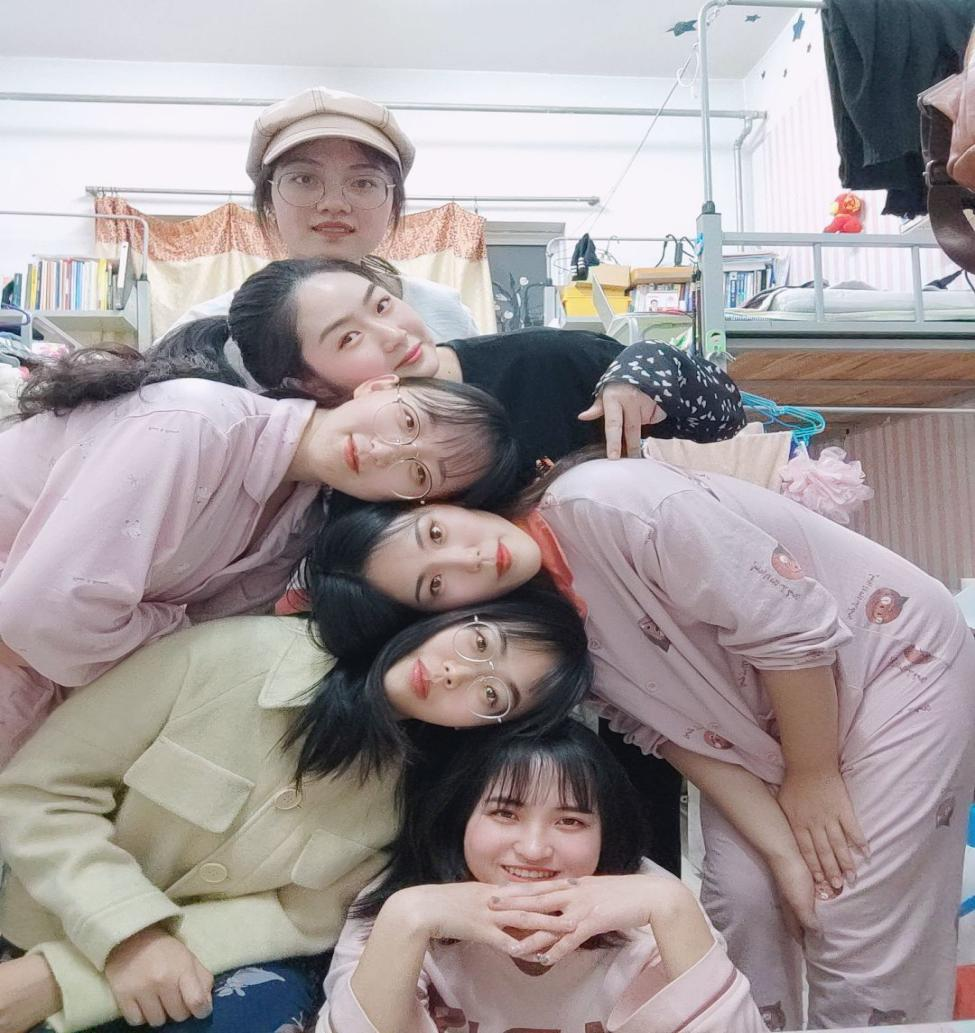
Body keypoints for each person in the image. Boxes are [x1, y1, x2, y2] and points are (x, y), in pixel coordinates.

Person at [304, 456, 975, 1029]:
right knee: (744, 897)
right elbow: (669, 731)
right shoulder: (544, 640)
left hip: (889, 664)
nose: (469, 556)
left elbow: (791, 628)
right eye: (435, 584)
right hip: (758, 728)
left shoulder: (605, 501)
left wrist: (812, 774)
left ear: (436, 501)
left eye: (435, 533)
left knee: (850, 906)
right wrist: (779, 848)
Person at [0, 586, 591, 1033]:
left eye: (490, 695)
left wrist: (67, 975)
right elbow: (41, 788)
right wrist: (123, 931)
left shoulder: (414, 803)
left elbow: (296, 919)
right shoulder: (234, 654)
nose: (454, 674)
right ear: (456, 615)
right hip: (24, 894)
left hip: (178, 976)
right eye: (479, 643)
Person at [0, 348, 518, 766]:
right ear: (379, 387)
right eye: (405, 421)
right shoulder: (197, 422)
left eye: (418, 472)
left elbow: (183, 655)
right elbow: (40, 618)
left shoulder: (300, 523)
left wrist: (123, 630)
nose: (385, 452)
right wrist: (161, 622)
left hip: (40, 719)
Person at [317, 718, 766, 1033]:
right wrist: (405, 920)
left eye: (570, 821)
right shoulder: (405, 906)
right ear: (460, 816)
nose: (534, 849)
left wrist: (674, 908)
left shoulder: (653, 910)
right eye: (505, 814)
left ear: (607, 832)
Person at [166, 86, 481, 351]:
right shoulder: (205, 333)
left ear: (393, 201)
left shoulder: (443, 314)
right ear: (269, 199)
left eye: (363, 183)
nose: (334, 204)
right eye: (304, 179)